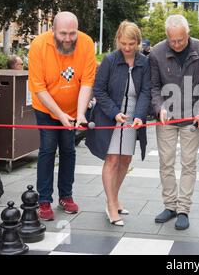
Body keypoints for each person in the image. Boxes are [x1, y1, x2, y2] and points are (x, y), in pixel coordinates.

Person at [28, 12, 96, 221]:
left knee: (68, 149)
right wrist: (59, 114)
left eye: (72, 33)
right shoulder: (39, 46)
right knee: (48, 148)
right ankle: (44, 200)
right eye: (63, 33)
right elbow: (38, 88)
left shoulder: (85, 43)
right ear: (53, 30)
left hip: (74, 108)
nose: (68, 39)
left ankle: (66, 196)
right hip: (46, 107)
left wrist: (81, 113)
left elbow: (86, 82)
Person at [85, 21, 150, 226]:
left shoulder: (144, 63)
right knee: (112, 160)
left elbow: (146, 92)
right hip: (109, 116)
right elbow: (99, 90)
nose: (127, 48)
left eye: (132, 43)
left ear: (138, 42)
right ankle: (112, 204)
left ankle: (114, 196)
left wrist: (139, 115)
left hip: (132, 118)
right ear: (118, 40)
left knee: (125, 161)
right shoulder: (110, 60)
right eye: (123, 43)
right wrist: (114, 113)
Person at [150, 15, 199, 230]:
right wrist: (159, 107)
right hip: (167, 117)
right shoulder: (156, 52)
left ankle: (183, 209)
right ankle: (170, 205)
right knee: (166, 163)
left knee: (188, 163)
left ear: (188, 34)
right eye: (172, 41)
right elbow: (154, 86)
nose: (176, 45)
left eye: (180, 40)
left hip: (192, 117)